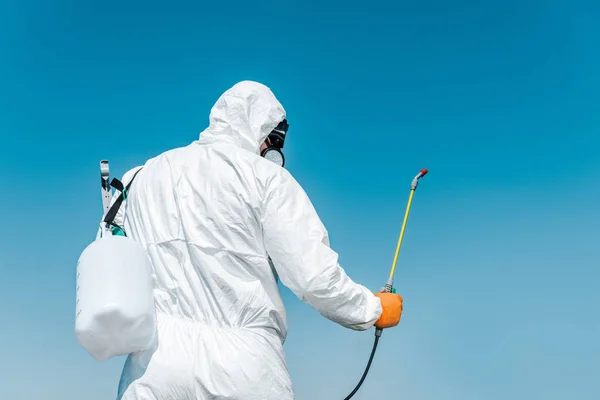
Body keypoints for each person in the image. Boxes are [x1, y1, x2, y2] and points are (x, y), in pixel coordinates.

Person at [105, 80, 404, 400]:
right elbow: (314, 278)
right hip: (243, 366)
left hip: (155, 364)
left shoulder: (142, 176)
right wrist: (372, 309)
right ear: (264, 131)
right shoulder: (266, 178)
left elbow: (111, 255)